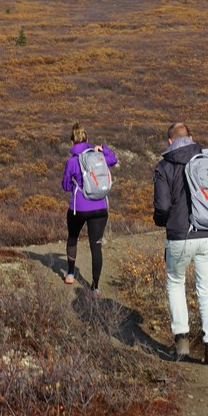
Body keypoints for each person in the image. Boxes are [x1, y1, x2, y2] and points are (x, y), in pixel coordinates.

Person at [153, 122, 208, 365]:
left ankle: (182, 342)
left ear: (170, 142)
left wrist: (163, 222)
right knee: (207, 292)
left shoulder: (164, 166)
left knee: (175, 283)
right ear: (192, 137)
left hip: (180, 236)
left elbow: (161, 206)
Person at [60, 123, 119, 295]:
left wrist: (74, 188)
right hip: (100, 207)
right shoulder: (99, 157)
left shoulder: (71, 161)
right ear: (87, 140)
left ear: (72, 142)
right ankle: (95, 287)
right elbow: (113, 160)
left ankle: (70, 274)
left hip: (79, 207)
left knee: (72, 238)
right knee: (96, 246)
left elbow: (65, 185)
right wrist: (103, 149)